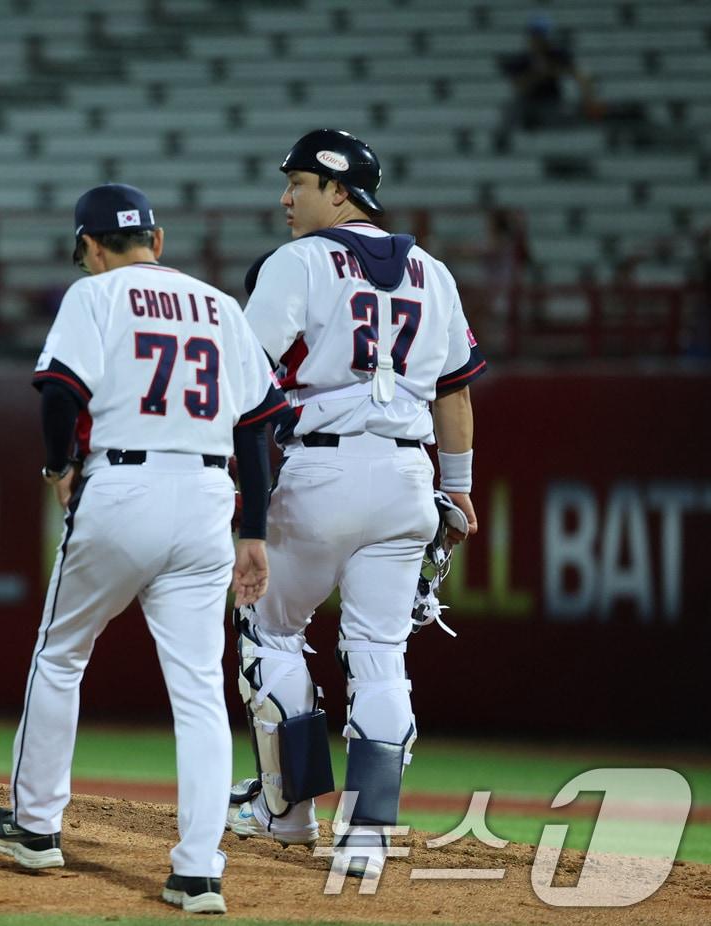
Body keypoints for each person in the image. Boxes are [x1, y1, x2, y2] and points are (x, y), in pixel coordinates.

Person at [0, 184, 286, 915]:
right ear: (159, 238)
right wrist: (255, 530)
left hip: (124, 485)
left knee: (61, 652)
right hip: (209, 499)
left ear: (90, 246)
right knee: (198, 692)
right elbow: (256, 425)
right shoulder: (220, 305)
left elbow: (58, 392)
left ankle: (36, 825)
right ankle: (199, 870)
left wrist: (59, 468)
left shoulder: (97, 296)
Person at [225, 129, 484, 880]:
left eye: (298, 184)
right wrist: (458, 487)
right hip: (407, 477)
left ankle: (289, 811)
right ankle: (368, 835)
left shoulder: (299, 262)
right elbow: (455, 390)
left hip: (320, 474)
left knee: (270, 633)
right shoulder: (433, 271)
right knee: (380, 655)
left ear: (339, 190)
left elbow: (246, 378)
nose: (285, 198)